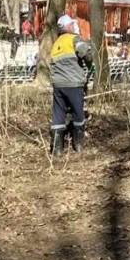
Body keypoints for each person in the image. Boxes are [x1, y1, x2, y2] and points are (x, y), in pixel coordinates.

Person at [50, 14, 92, 155]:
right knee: (78, 113)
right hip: (73, 83)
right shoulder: (74, 39)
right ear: (68, 26)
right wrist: (89, 64)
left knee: (58, 115)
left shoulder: (56, 44)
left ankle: (57, 149)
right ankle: (78, 145)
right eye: (72, 24)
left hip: (58, 85)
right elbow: (86, 54)